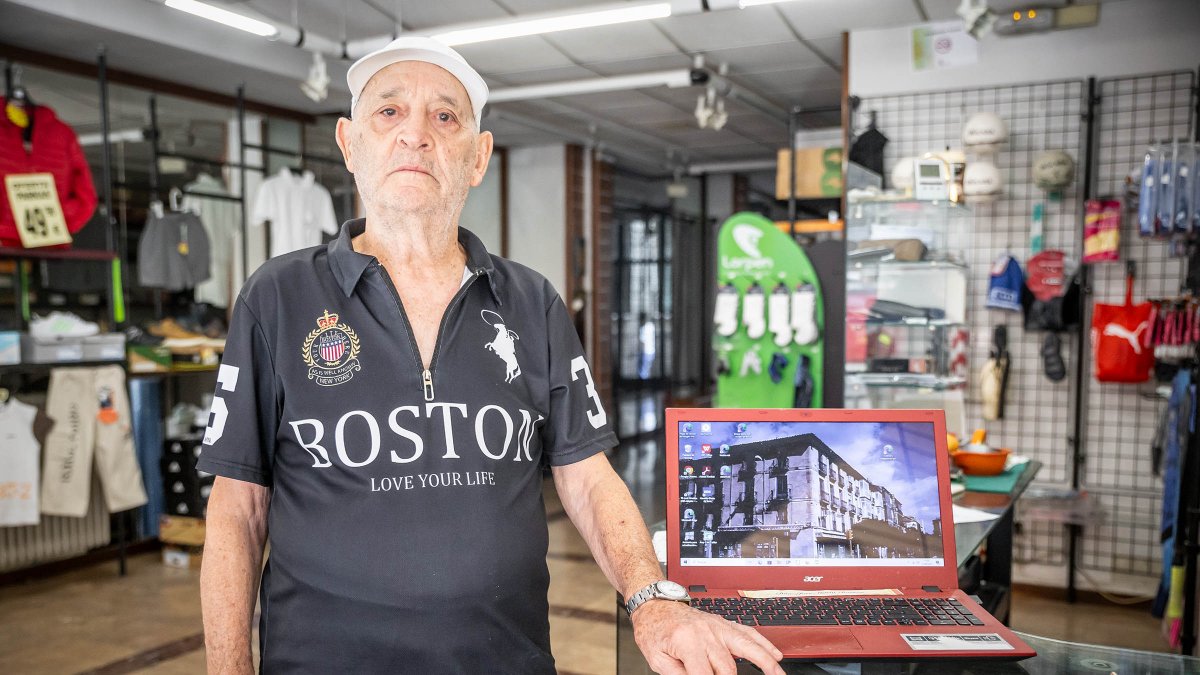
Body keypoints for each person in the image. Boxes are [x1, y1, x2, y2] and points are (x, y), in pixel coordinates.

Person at [197, 36, 785, 675]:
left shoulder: (531, 302)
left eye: (444, 116)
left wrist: (653, 600)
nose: (415, 135)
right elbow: (238, 508)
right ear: (349, 143)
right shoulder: (277, 298)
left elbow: (587, 478)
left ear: (477, 158)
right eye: (388, 112)